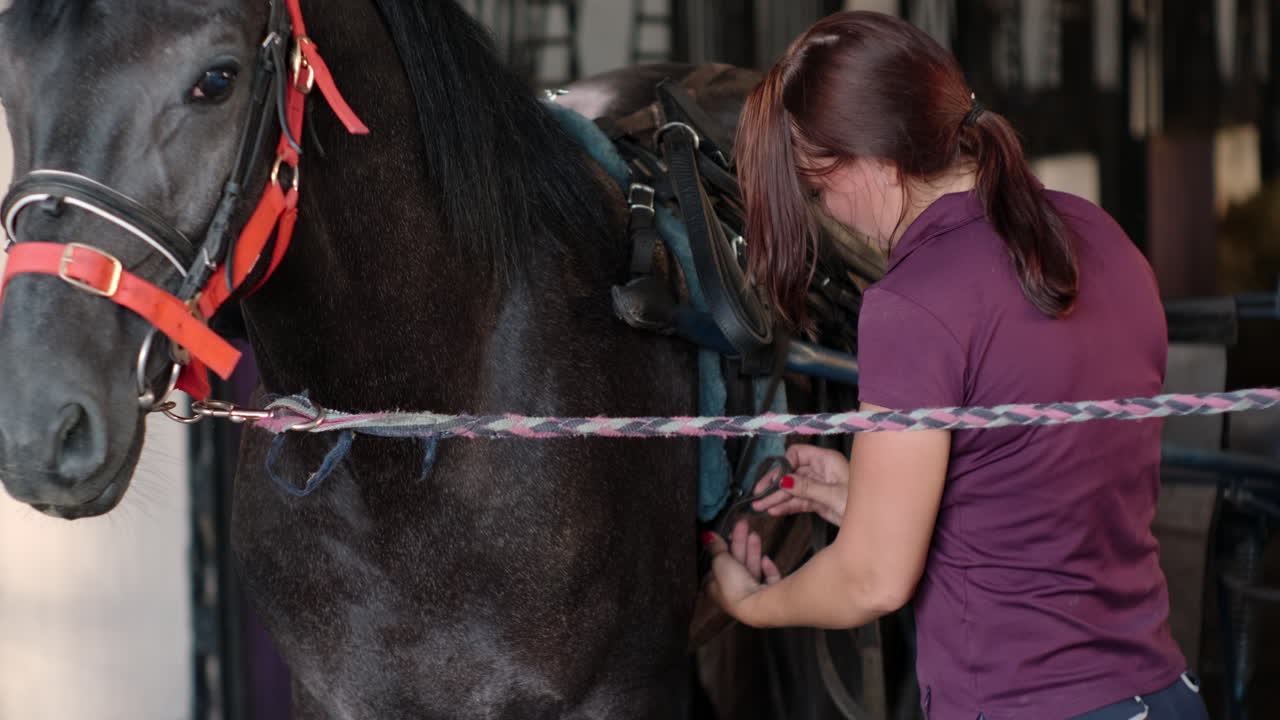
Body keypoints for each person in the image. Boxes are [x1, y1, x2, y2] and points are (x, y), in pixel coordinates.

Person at [702, 10, 1209, 720]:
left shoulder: (914, 302)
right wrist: (869, 501)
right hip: (1160, 693)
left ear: (873, 161)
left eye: (818, 190)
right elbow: (1045, 489)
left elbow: (872, 580)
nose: (832, 214)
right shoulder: (1100, 235)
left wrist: (753, 604)